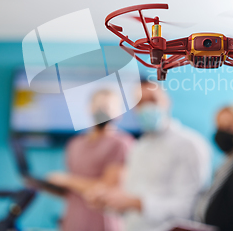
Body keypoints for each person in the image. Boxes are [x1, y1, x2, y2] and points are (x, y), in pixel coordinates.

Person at [88, 79, 211, 231]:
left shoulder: (189, 145)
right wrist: (109, 201)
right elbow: (130, 199)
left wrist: (136, 203)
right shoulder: (138, 148)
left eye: (152, 100)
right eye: (140, 103)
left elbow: (188, 209)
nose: (146, 107)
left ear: (166, 101)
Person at [47, 89, 134, 231]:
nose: (103, 111)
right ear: (89, 108)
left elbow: (107, 188)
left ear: (118, 113)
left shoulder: (121, 144)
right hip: (73, 221)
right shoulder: (75, 144)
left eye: (108, 108)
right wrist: (52, 184)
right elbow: (72, 191)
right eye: (99, 106)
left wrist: (66, 180)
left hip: (103, 223)